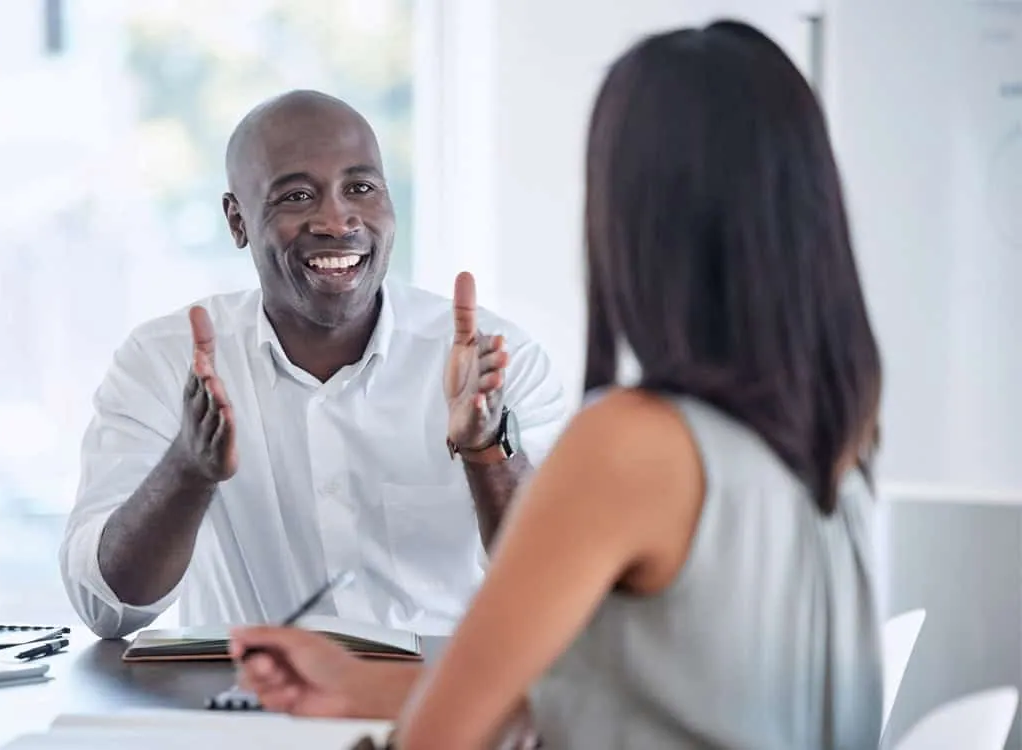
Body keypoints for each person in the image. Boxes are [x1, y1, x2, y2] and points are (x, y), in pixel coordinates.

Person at [231, 20, 885, 749]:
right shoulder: (838, 434)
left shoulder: (633, 444)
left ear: (634, 216)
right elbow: (663, 700)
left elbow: (436, 743)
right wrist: (365, 685)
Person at [59, 90, 569, 641]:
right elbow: (108, 607)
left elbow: (561, 585)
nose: (335, 220)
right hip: (245, 710)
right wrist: (188, 468)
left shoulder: (495, 361)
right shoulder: (163, 362)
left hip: (441, 704)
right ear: (238, 220)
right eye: (297, 196)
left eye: (361, 188)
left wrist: (487, 449)